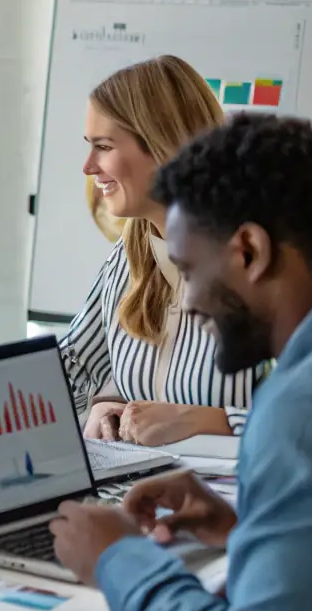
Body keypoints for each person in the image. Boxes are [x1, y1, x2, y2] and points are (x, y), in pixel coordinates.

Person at [49, 113, 312, 611]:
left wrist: (119, 560)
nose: (189, 302)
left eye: (191, 270)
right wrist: (251, 531)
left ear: (249, 250)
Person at [61, 55, 268, 446]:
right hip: (149, 494)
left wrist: (208, 421)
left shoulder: (262, 263)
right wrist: (103, 406)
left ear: (163, 148)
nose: (89, 167)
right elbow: (70, 370)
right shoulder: (130, 254)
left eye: (103, 147)